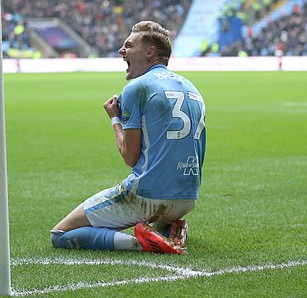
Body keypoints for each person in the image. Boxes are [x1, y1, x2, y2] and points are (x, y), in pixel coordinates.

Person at [50, 21, 207, 253]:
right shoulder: (192, 88)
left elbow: (130, 157)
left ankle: (142, 244)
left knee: (60, 234)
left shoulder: (137, 88)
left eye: (128, 45)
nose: (121, 51)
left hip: (148, 196)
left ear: (150, 53)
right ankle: (167, 227)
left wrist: (115, 119)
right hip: (187, 198)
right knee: (157, 209)